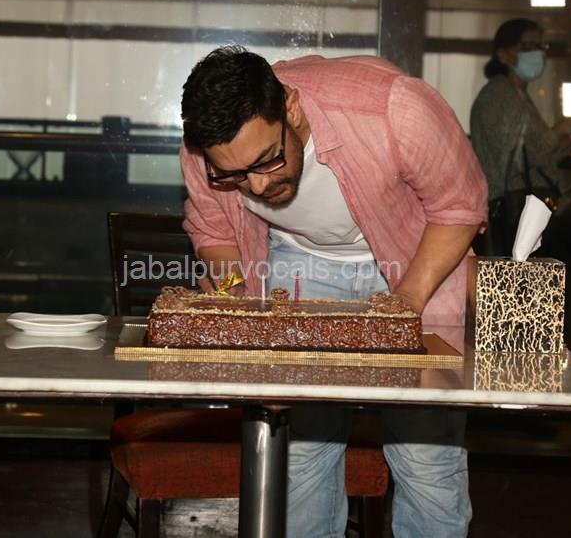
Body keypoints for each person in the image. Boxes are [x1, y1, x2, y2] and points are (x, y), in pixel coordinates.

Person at [179, 45, 488, 537]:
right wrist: (233, 293)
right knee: (303, 452)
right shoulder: (206, 149)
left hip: (414, 259)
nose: (255, 187)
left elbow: (460, 206)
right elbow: (214, 230)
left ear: (291, 108)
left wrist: (406, 302)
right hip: (299, 263)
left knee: (425, 454)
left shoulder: (395, 109)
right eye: (235, 175)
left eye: (267, 160)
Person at [470, 18, 571, 257]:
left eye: (540, 46)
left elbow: (538, 157)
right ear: (503, 55)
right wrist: (561, 129)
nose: (537, 53)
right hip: (511, 207)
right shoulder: (498, 95)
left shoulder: (518, 95)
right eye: (527, 47)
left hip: (524, 208)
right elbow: (515, 159)